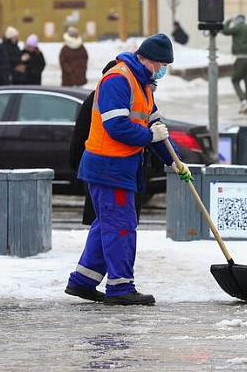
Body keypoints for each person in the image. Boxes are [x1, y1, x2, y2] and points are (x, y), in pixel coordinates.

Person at [65, 33, 192, 306]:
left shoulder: (143, 85)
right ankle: (121, 287)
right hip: (108, 166)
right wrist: (150, 137)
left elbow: (158, 127)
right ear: (146, 59)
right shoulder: (118, 79)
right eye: (160, 64)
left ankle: (83, 281)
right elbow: (116, 126)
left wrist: (175, 161)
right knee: (121, 227)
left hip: (121, 167)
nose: (162, 70)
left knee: (107, 225)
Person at [69, 61, 146, 226]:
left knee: (105, 223)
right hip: (109, 168)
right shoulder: (108, 98)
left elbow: (79, 135)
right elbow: (82, 134)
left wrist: (77, 165)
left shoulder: (104, 97)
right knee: (111, 223)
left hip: (110, 168)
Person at [222, 15, 247, 114]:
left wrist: (229, 21)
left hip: (241, 58)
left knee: (235, 80)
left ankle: (243, 101)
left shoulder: (238, 28)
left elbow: (225, 31)